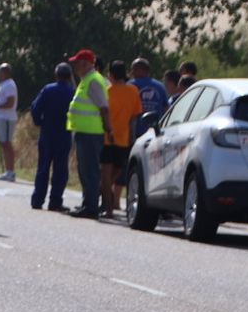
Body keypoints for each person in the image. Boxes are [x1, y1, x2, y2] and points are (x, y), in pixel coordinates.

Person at [65, 49, 110, 217]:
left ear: (86, 64)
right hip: (85, 132)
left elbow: (104, 107)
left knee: (89, 171)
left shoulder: (93, 81)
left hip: (91, 133)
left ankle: (90, 207)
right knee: (85, 170)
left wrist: (109, 128)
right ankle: (87, 204)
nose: (75, 67)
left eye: (77, 63)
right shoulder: (87, 80)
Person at [28, 62, 74, 211]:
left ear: (56, 75)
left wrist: (38, 122)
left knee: (43, 167)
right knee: (60, 169)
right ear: (69, 76)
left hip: (47, 132)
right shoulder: (72, 92)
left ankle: (37, 199)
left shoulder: (48, 90)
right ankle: (55, 200)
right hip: (64, 133)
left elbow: (35, 107)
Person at [100, 60, 144, 215]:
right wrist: (132, 136)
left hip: (107, 137)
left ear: (111, 75)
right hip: (124, 138)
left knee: (106, 173)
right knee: (117, 170)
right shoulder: (133, 91)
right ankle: (106, 199)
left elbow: (103, 114)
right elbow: (134, 117)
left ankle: (107, 206)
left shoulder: (107, 91)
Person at [130, 58, 170, 135]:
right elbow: (166, 109)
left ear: (140, 70)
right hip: (156, 130)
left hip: (136, 131)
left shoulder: (131, 86)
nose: (132, 72)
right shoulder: (160, 86)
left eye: (134, 69)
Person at [0, 63, 19, 182]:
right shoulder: (3, 85)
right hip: (2, 117)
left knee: (7, 143)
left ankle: (10, 171)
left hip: (7, 118)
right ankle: (8, 170)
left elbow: (10, 103)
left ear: (6, 72)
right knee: (4, 143)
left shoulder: (9, 85)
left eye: (1, 72)